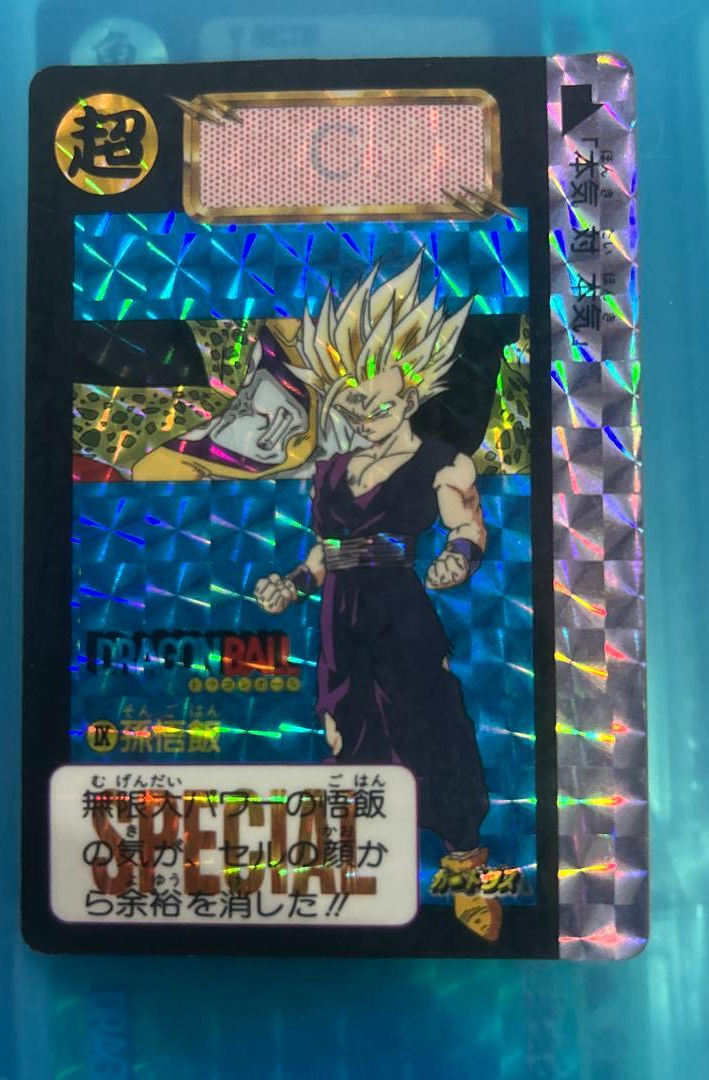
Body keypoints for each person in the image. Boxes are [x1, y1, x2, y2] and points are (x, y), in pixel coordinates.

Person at [254, 253, 502, 942]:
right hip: (341, 618)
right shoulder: (331, 470)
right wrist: (292, 583)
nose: (364, 416)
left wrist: (456, 561)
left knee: (432, 729)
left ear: (411, 396)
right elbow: (323, 549)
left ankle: (464, 867)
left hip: (400, 613)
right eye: (351, 404)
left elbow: (467, 527)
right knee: (347, 732)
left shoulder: (441, 462)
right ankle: (365, 877)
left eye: (380, 403)